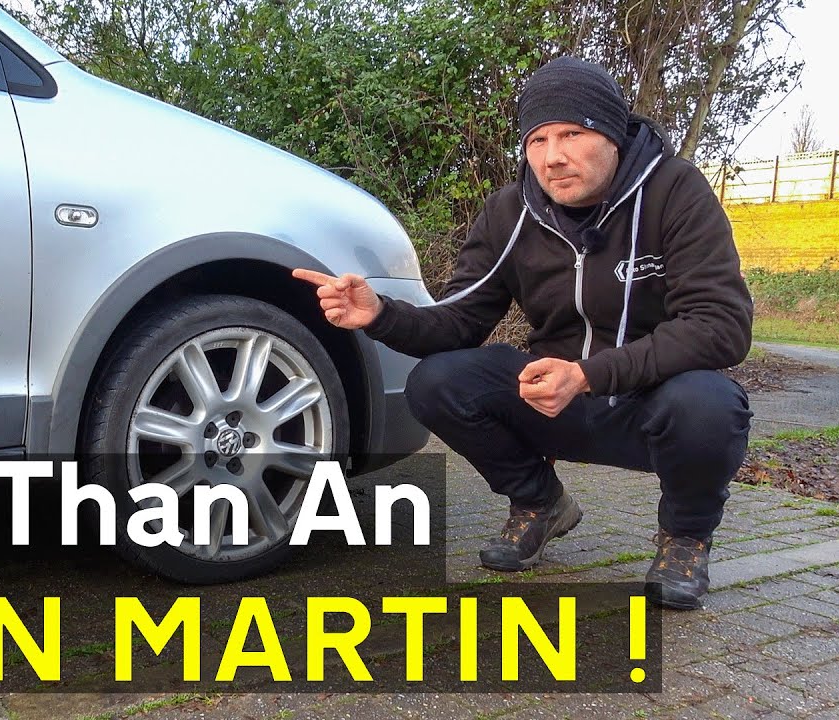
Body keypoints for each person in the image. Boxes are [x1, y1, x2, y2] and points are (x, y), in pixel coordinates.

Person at [294, 56, 753, 610]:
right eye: (537, 140)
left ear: (612, 134)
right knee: (438, 381)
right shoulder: (509, 212)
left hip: (650, 405)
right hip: (553, 402)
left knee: (710, 404)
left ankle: (684, 539)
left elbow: (721, 325)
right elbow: (458, 321)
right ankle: (539, 504)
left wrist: (589, 374)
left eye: (572, 134)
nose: (552, 156)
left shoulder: (674, 191)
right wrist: (380, 314)